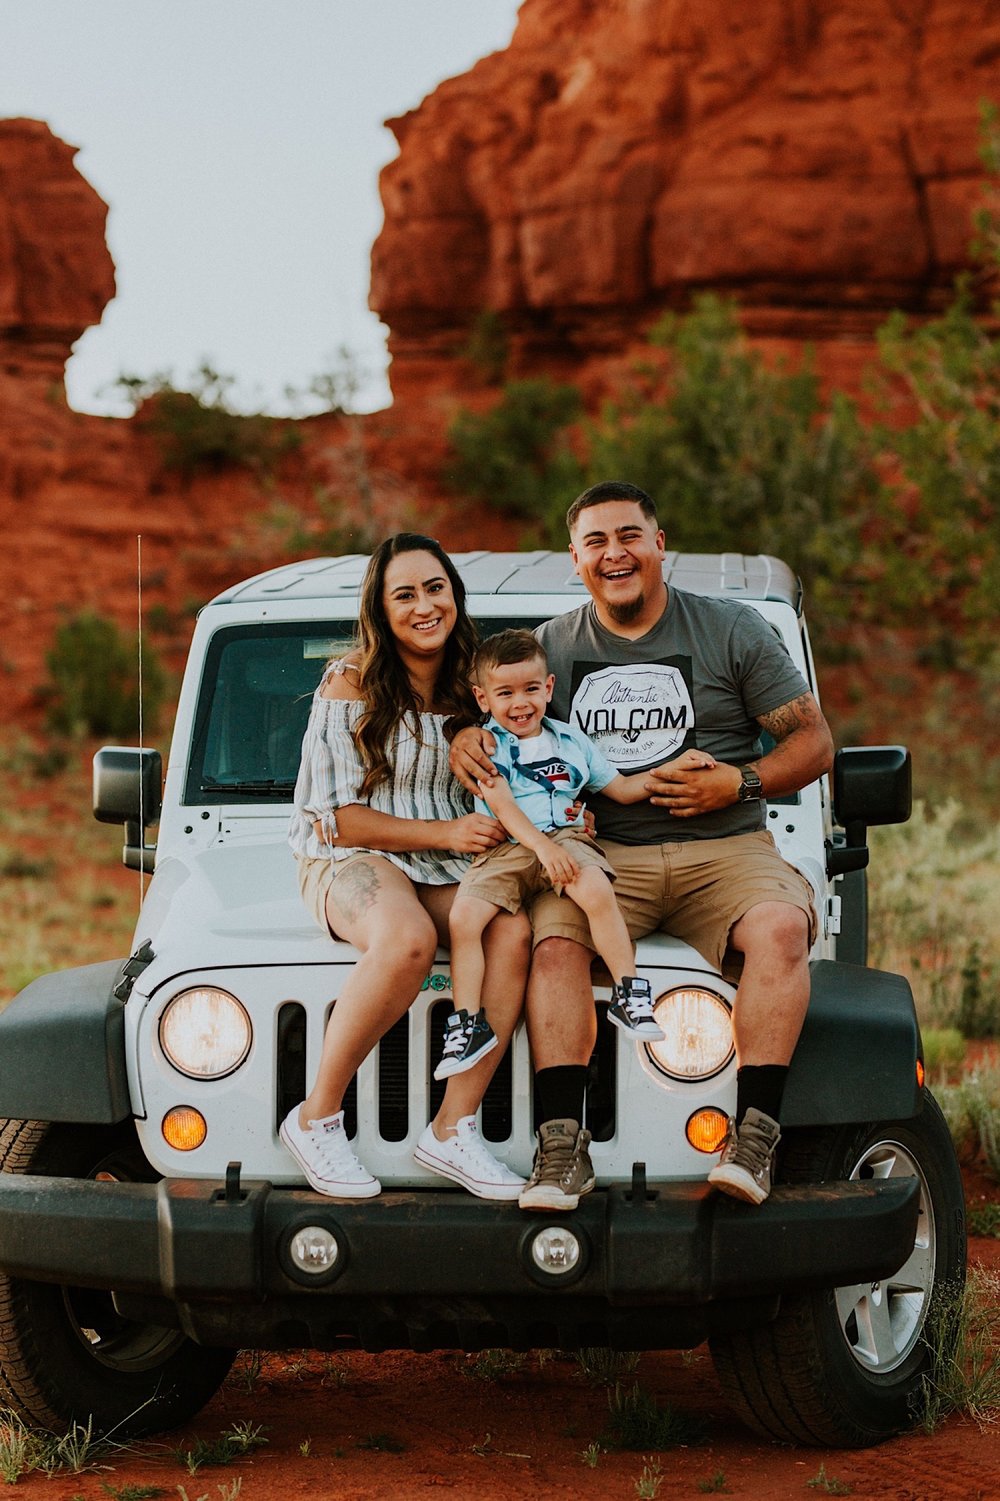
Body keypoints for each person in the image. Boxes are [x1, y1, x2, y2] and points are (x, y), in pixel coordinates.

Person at [451, 482, 834, 1212]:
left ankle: (753, 1138)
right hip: (602, 852)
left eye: (628, 535)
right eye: (595, 542)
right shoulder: (553, 645)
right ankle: (562, 1147)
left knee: (783, 927)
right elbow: (493, 702)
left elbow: (814, 742)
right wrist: (461, 734)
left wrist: (739, 780)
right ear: (575, 559)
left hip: (724, 845)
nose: (613, 553)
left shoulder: (733, 630)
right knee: (555, 949)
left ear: (660, 544)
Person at [285, 532, 530, 1202]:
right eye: (405, 594)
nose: (424, 605)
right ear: (381, 608)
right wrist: (448, 831)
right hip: (351, 856)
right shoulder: (351, 682)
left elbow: (531, 759)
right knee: (407, 940)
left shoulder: (474, 683)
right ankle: (316, 1116)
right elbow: (337, 817)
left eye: (435, 588)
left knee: (511, 930)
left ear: (454, 594)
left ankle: (453, 1127)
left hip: (442, 862)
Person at [441, 628, 722, 1082]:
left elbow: (623, 788)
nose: (521, 703)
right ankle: (468, 1024)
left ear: (548, 687)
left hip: (566, 836)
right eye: (505, 693)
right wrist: (542, 848)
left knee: (594, 887)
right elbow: (504, 808)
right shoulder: (485, 745)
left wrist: (670, 767)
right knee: (464, 918)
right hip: (510, 846)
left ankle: (630, 994)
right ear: (483, 697)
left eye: (531, 689)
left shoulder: (572, 741)